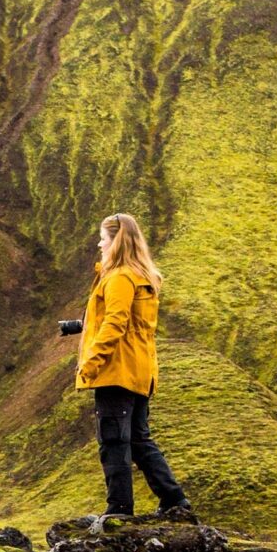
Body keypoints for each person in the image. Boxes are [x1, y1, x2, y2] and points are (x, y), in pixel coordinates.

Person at [74, 213, 193, 522]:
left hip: (117, 371)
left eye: (104, 237)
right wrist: (80, 327)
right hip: (140, 371)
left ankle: (119, 511)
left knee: (113, 440)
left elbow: (116, 323)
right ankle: (174, 499)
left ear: (117, 242)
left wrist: (91, 363)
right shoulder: (141, 276)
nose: (99, 243)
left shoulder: (119, 278)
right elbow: (131, 322)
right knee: (139, 440)